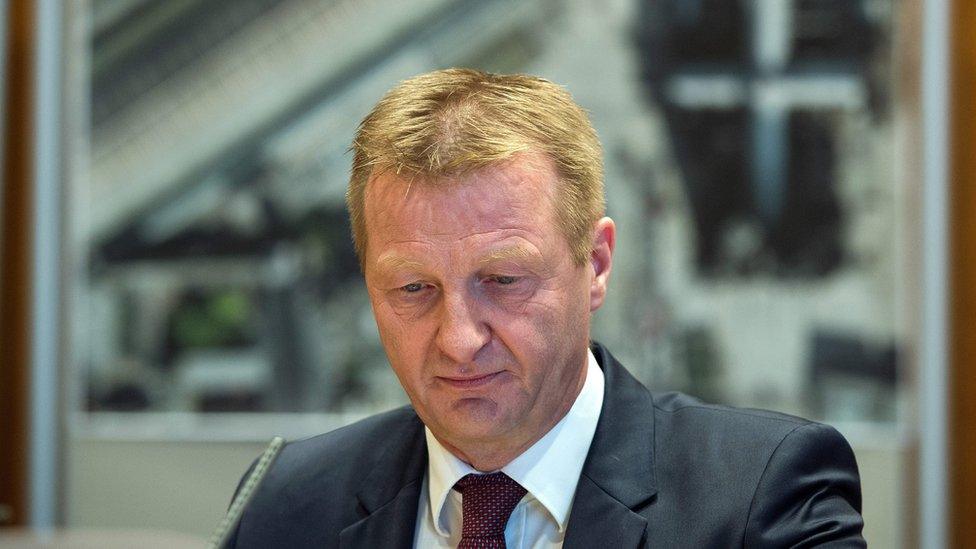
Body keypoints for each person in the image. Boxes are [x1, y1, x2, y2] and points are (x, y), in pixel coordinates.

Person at [227, 68, 865, 548]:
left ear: (596, 264)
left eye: (502, 280)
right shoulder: (286, 501)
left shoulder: (762, 495)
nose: (458, 339)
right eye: (414, 289)